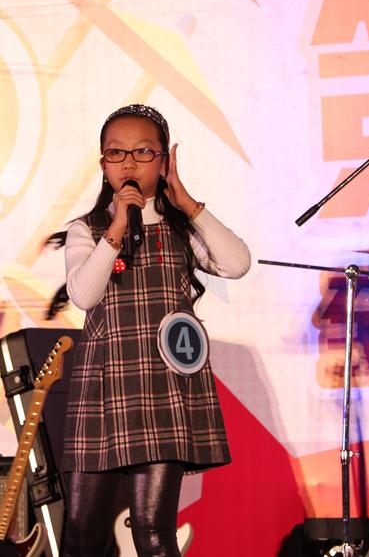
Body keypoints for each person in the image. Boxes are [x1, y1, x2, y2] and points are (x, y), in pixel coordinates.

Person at [59, 104, 250, 556]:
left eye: (143, 152)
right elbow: (84, 295)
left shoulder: (182, 229)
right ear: (103, 163)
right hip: (103, 389)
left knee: (152, 531)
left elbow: (237, 263)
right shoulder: (88, 229)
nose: (129, 163)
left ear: (164, 162)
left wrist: (187, 204)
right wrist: (117, 227)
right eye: (116, 153)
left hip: (163, 390)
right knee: (83, 533)